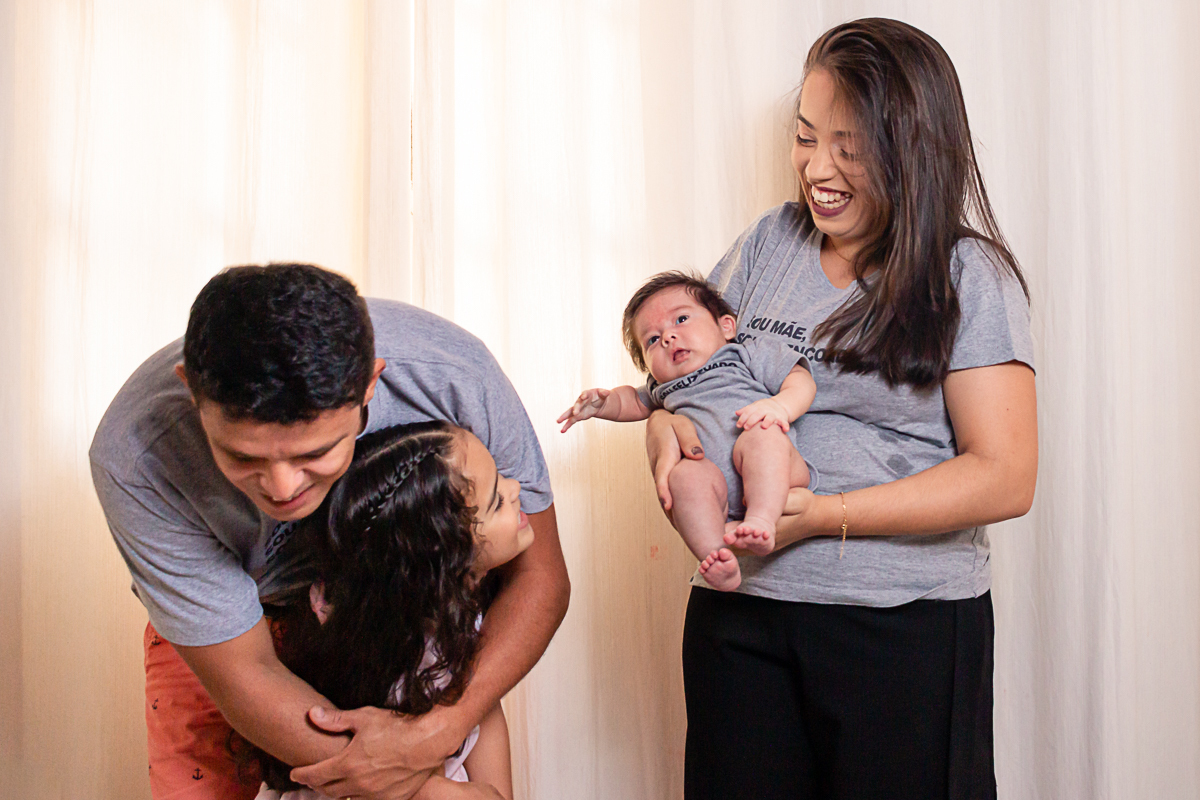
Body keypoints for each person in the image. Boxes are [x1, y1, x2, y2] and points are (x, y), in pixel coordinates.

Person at [644, 19, 1038, 800]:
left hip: (899, 626)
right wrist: (661, 437)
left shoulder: (967, 275)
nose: (817, 169)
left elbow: (1005, 478)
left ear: (912, 150)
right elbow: (686, 372)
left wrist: (824, 515)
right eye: (805, 137)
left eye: (849, 148)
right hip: (742, 614)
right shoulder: (769, 243)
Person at [89, 264, 569, 800]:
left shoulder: (455, 375)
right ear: (190, 391)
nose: (281, 487)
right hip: (233, 644)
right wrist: (421, 787)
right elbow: (244, 671)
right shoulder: (135, 454)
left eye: (315, 452)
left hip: (408, 632)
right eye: (243, 456)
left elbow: (539, 575)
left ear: (370, 385)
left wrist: (437, 731)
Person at [253, 421, 532, 800]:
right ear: (441, 558)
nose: (517, 490)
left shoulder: (457, 617)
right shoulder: (392, 667)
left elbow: (481, 707)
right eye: (497, 500)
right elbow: (396, 775)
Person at [558, 271, 815, 591]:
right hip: (714, 488)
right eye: (652, 339)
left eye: (681, 319)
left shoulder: (745, 354)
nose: (667, 337)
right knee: (682, 476)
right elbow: (631, 403)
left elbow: (801, 380)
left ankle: (762, 521)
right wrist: (603, 404)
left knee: (762, 435)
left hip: (777, 474)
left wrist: (779, 408)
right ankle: (718, 557)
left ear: (726, 326)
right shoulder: (663, 388)